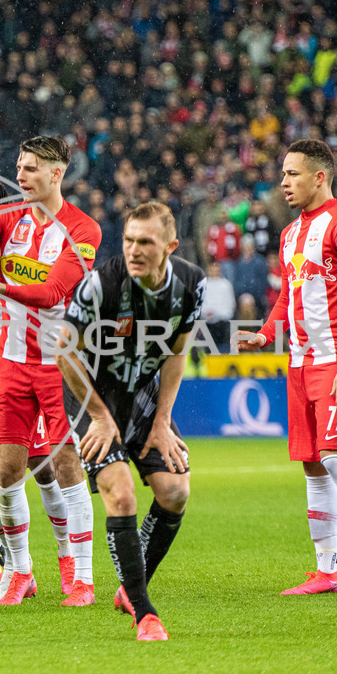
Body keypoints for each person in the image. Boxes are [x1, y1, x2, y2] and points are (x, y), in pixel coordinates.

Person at [237, 139, 337, 596]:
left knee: (336, 458)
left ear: (320, 177)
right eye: (283, 175)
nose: (283, 183)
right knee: (312, 466)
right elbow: (287, 297)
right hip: (299, 364)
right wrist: (265, 334)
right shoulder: (289, 235)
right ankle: (327, 571)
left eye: (292, 174)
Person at [57, 201, 206, 642]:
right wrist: (100, 418)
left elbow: (177, 351)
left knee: (176, 491)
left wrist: (163, 421)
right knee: (121, 496)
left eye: (146, 242)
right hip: (91, 396)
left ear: (170, 247)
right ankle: (145, 613)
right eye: (128, 240)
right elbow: (64, 351)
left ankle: (129, 586)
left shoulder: (191, 284)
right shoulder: (100, 284)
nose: (134, 250)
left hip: (141, 394)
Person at [0, 135, 101, 607]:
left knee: (66, 465)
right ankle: (22, 571)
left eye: (28, 170)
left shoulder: (83, 230)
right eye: (18, 167)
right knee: (7, 473)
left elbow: (50, 294)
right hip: (10, 363)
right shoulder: (9, 218)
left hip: (57, 364)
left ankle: (81, 577)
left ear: (56, 174)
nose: (19, 177)